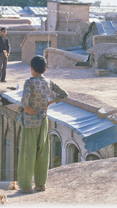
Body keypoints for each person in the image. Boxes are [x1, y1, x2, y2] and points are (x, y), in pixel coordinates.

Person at [16, 55, 68, 193]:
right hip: (43, 120)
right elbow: (64, 94)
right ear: (45, 70)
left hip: (29, 122)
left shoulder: (29, 82)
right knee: (42, 153)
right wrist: (49, 103)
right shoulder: (49, 82)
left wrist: (28, 109)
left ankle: (26, 186)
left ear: (31, 68)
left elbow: (24, 102)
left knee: (28, 153)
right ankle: (40, 184)